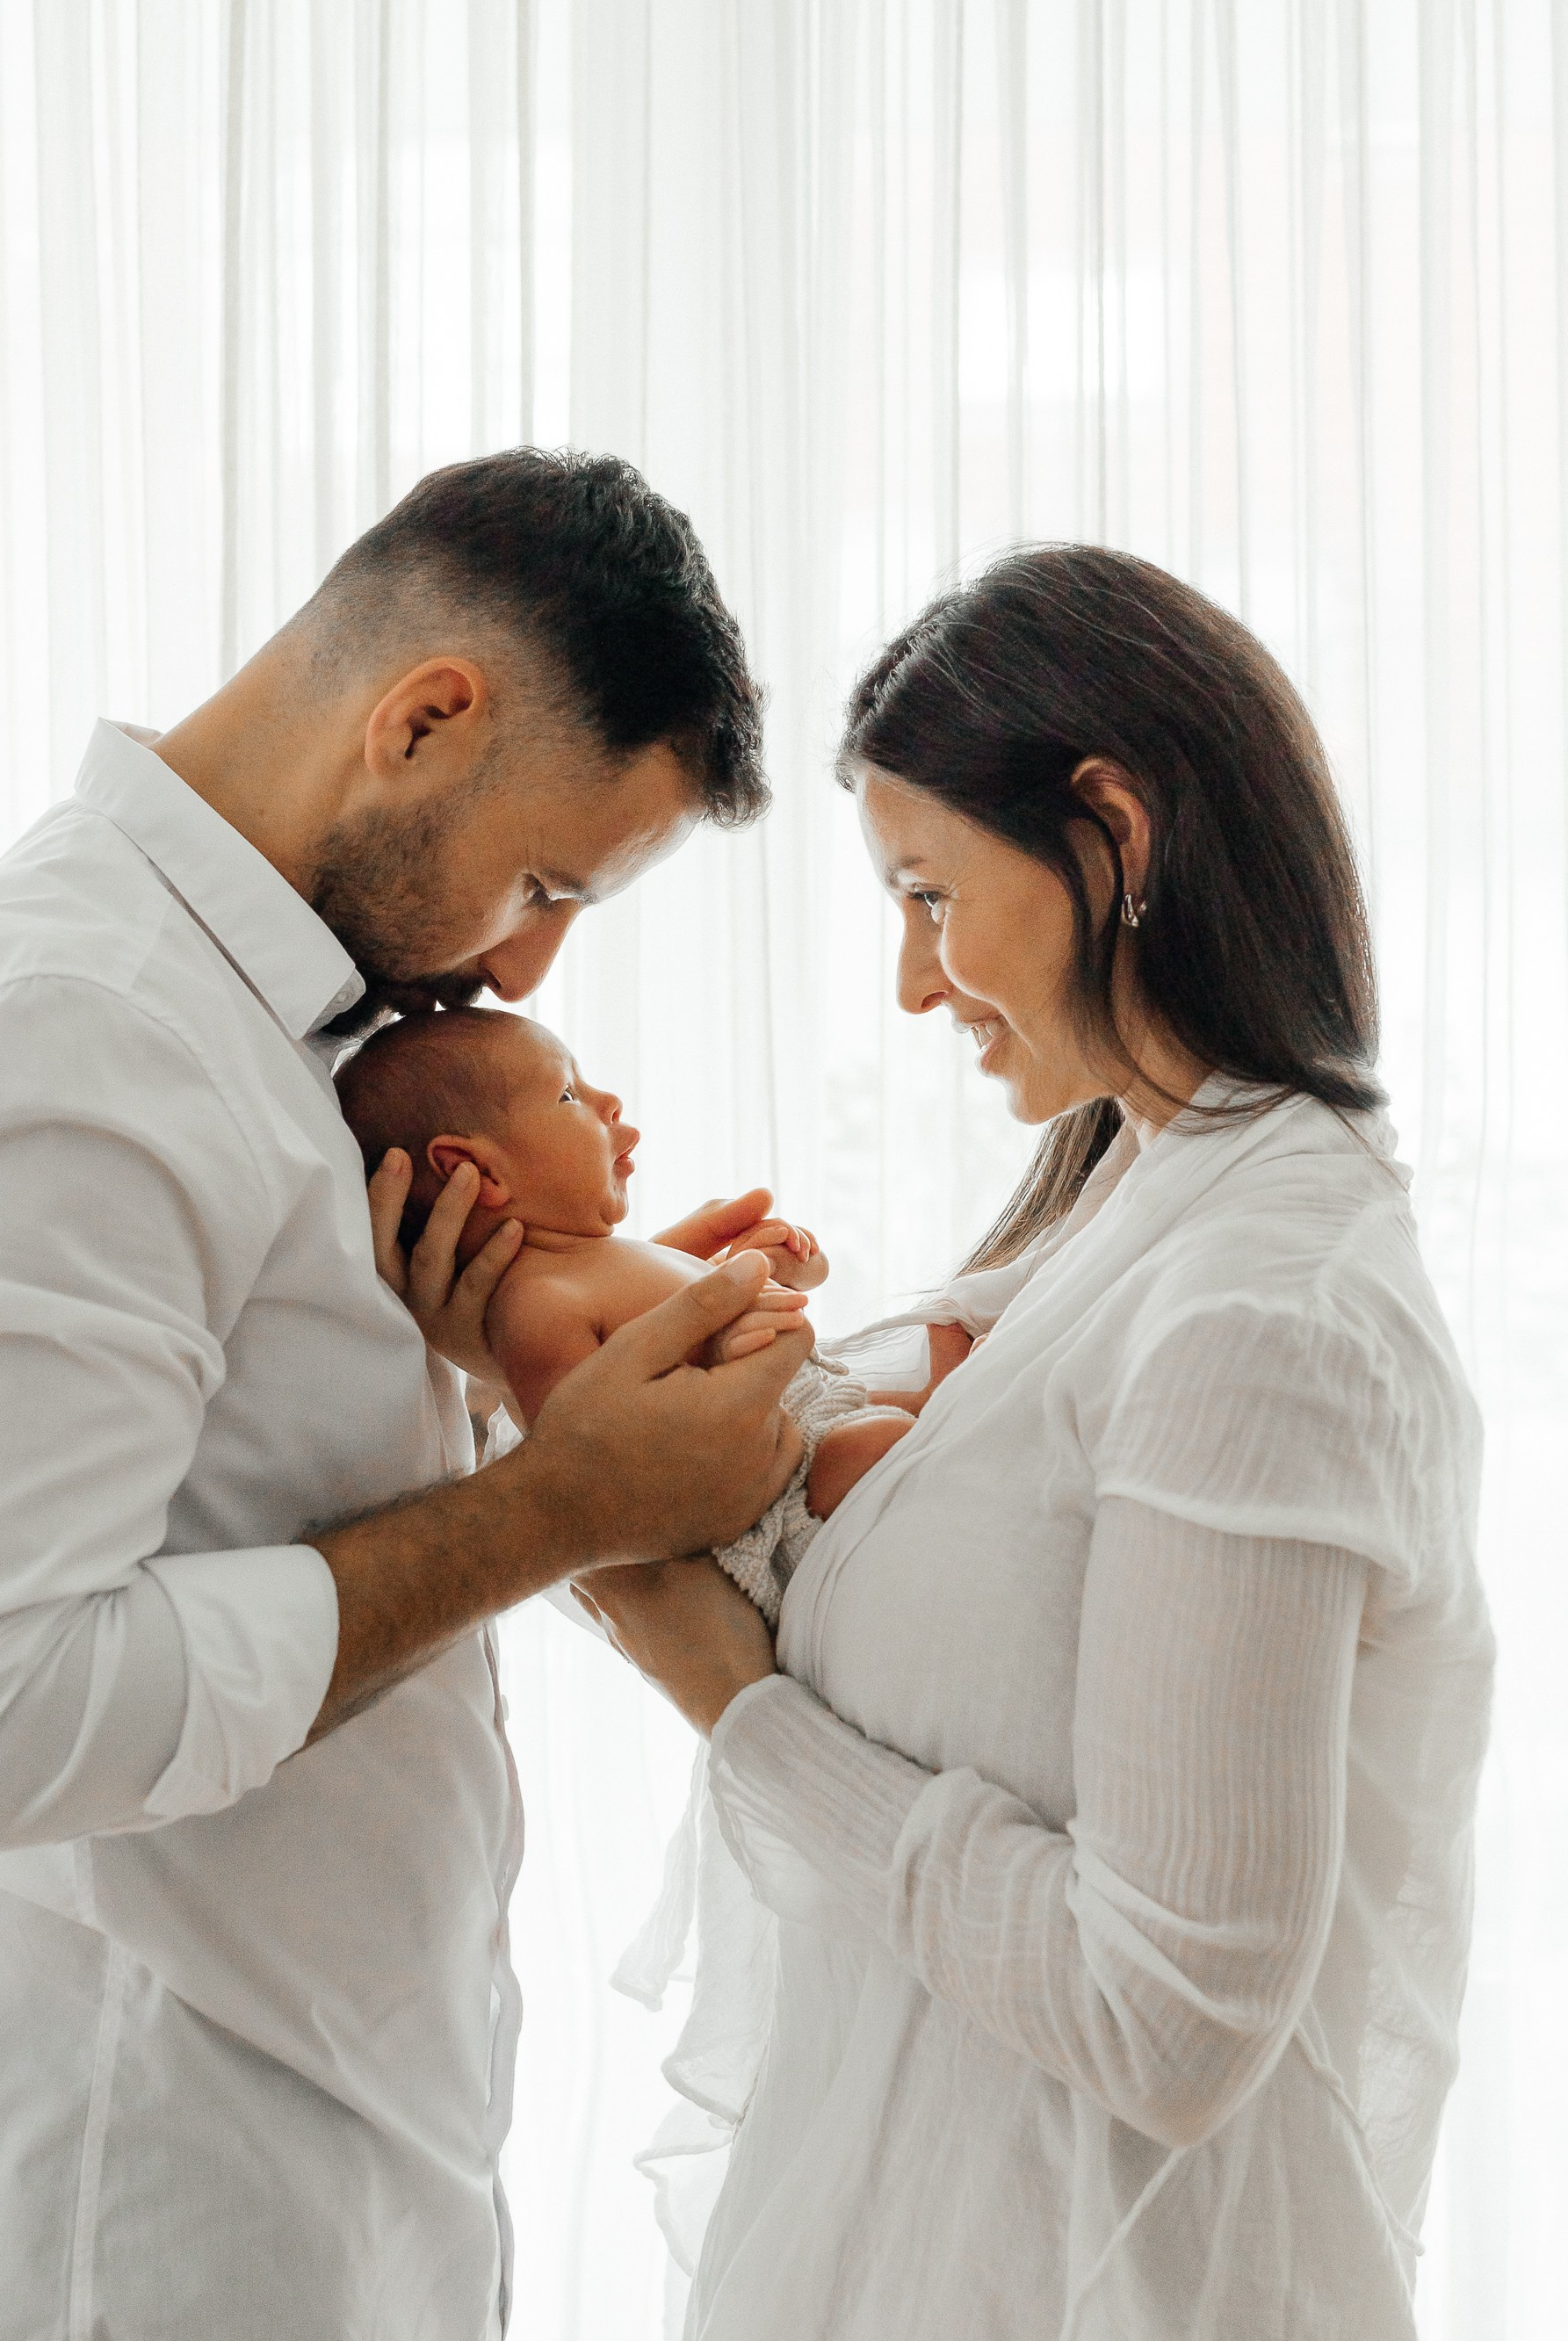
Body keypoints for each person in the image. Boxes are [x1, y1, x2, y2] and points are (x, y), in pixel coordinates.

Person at [0, 449, 813, 2341]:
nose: (526, 962)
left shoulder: (270, 1035)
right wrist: (560, 1509)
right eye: (539, 882)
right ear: (424, 718)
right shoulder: (64, 1027)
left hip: (315, 2173)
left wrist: (538, 1348)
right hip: (122, 2211)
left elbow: (238, 1477)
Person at [582, 546, 1496, 2341]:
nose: (916, 988)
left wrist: (738, 1716)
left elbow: (1169, 2019)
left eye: (930, 896)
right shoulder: (1119, 1228)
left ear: (1113, 835)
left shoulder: (1260, 1308)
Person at [334, 1010, 932, 1615]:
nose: (610, 1101)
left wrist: (774, 1264)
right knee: (892, 1439)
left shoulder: (605, 1259)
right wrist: (728, 1349)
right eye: (568, 1093)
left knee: (936, 1386)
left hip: (819, 1412)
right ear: (479, 1172)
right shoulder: (538, 1306)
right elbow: (608, 1468)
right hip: (779, 1494)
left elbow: (741, 1308)